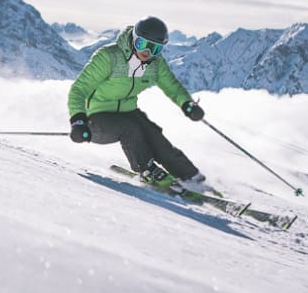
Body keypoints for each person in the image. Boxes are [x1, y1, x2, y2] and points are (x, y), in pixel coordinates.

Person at [67, 16, 209, 193]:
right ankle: (147, 170)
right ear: (133, 39)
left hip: (128, 111)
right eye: (143, 44)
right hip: (95, 119)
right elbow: (79, 89)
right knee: (130, 128)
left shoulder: (155, 65)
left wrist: (187, 104)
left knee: (153, 134)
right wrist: (78, 121)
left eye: (155, 49)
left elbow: (172, 86)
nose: (147, 53)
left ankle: (190, 176)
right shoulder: (109, 57)